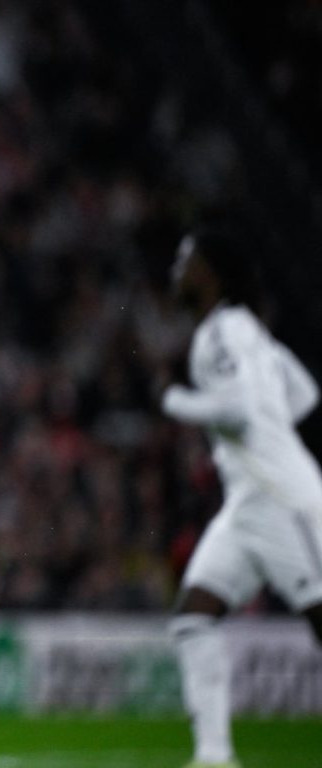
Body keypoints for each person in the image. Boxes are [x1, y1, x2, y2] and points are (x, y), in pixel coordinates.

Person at [162, 227, 322, 768]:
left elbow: (240, 411)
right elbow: (303, 393)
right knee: (193, 618)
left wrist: (177, 401)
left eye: (188, 259)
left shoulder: (224, 330)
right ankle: (213, 758)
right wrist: (267, 431)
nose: (178, 268)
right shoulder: (245, 329)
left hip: (284, 498)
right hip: (249, 503)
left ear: (212, 272)